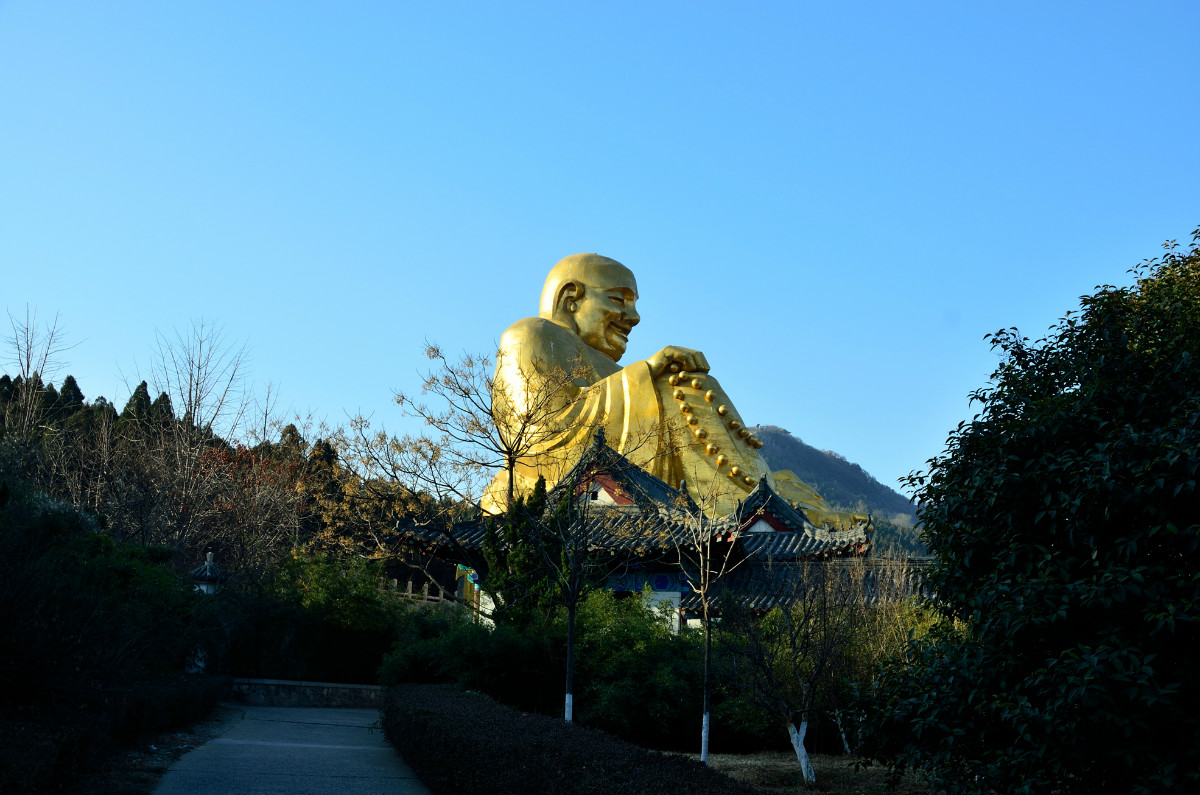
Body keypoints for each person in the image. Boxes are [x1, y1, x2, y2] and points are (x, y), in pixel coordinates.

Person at [480, 253, 836, 520]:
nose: (634, 318)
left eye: (634, 304)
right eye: (618, 300)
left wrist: (648, 376)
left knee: (684, 382)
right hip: (554, 491)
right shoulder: (532, 334)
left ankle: (755, 498)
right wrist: (649, 374)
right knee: (678, 385)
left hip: (637, 497)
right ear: (571, 298)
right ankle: (736, 506)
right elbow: (538, 436)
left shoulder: (610, 369)